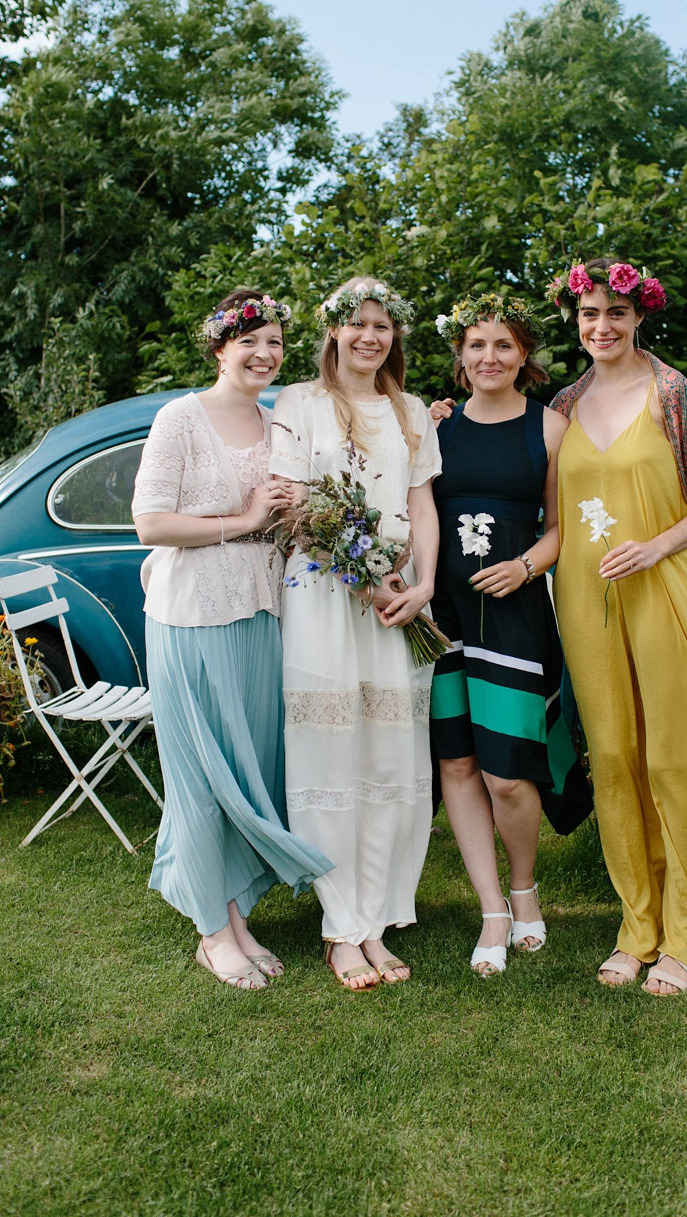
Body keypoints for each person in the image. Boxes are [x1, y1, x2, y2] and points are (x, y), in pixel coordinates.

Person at [548, 257, 687, 995]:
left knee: (675, 753)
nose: (601, 328)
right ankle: (637, 925)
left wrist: (660, 543)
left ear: (640, 318)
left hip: (661, 586)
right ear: (576, 324)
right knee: (611, 753)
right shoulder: (563, 405)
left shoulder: (674, 394)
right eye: (588, 316)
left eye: (616, 315)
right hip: (583, 596)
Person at [132, 288, 332, 991]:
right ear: (220, 347)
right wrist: (246, 519)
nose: (265, 355)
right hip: (189, 617)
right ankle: (214, 934)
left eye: (275, 343)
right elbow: (150, 524)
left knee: (245, 765)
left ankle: (236, 918)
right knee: (200, 777)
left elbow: (280, 518)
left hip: (259, 613)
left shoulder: (276, 423)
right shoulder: (179, 418)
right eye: (250, 341)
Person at [269, 277, 441, 991]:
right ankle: (341, 928)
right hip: (326, 603)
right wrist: (365, 578)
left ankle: (377, 916)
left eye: (382, 326)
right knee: (330, 756)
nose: (370, 337)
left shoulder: (408, 412)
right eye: (357, 325)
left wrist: (423, 584)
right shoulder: (300, 404)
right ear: (334, 332)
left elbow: (420, 503)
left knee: (390, 757)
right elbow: (296, 507)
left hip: (398, 604)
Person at [429, 294, 592, 977]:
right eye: (476, 345)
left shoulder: (551, 428)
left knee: (509, 774)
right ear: (460, 356)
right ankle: (493, 907)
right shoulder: (432, 428)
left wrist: (526, 566)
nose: (488, 357)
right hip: (444, 615)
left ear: (522, 354)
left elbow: (562, 527)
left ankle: (524, 887)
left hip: (517, 614)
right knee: (459, 764)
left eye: (503, 345)